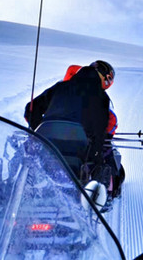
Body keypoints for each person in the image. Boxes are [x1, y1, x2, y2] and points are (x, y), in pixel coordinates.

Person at [24, 60, 118, 191]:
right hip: (79, 153)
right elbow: (99, 131)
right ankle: (100, 195)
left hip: (47, 146)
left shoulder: (60, 87)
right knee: (104, 159)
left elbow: (31, 109)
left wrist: (39, 130)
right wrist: (96, 156)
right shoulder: (102, 98)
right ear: (104, 77)